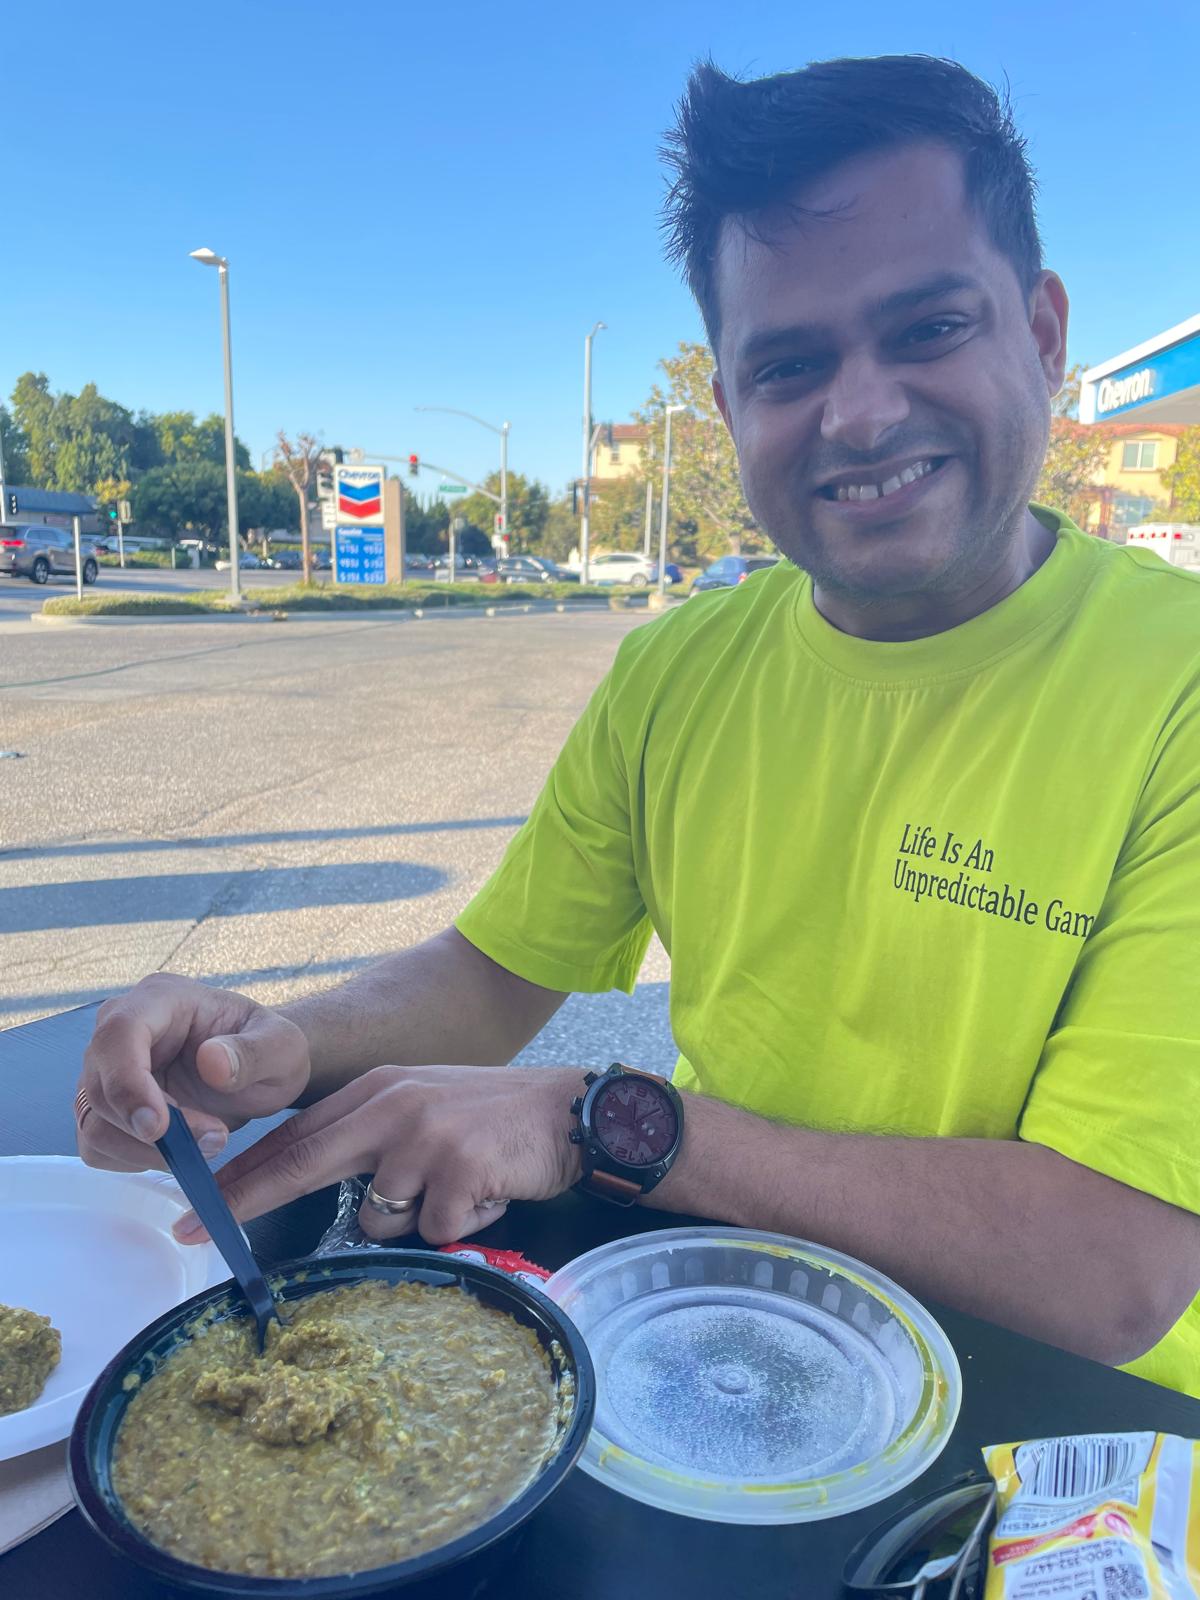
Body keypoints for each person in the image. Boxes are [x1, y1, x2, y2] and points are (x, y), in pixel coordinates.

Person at [77, 55, 1200, 1395]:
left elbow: (1112, 1271)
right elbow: (495, 975)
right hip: (709, 1342)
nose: (859, 412)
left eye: (928, 328)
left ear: (1044, 331)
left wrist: (601, 1122)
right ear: (730, 405)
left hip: (1065, 1430)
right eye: (789, 363)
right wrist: (271, 1050)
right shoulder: (679, 668)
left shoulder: (1175, 685)